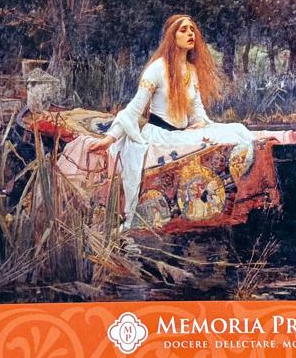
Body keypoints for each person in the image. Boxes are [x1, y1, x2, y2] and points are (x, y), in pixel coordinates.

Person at [89, 13, 256, 229]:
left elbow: (196, 109)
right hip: (159, 135)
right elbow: (134, 109)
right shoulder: (157, 68)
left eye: (192, 29)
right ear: (172, 36)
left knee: (238, 129)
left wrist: (200, 122)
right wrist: (109, 139)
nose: (190, 34)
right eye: (183, 30)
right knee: (226, 135)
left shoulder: (191, 70)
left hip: (180, 133)